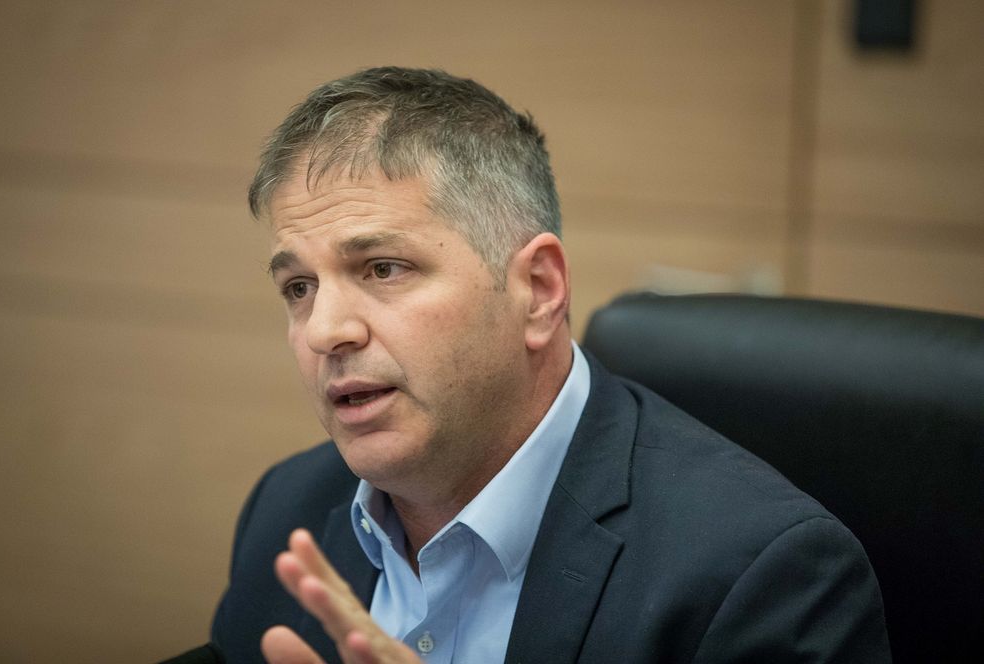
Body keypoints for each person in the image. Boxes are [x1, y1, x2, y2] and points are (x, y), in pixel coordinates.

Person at [211, 67, 891, 664]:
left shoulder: (760, 574)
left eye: (383, 268)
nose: (325, 331)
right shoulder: (289, 508)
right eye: (299, 287)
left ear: (538, 290)